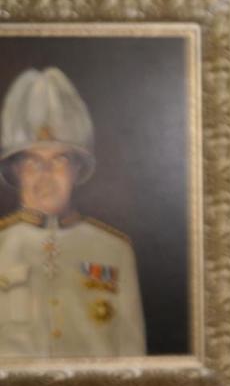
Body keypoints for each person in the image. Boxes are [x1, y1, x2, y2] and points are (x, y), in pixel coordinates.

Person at [0, 66, 145, 357]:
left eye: (59, 160)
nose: (45, 175)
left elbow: (133, 356)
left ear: (77, 169)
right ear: (16, 171)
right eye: (32, 162)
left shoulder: (114, 250)